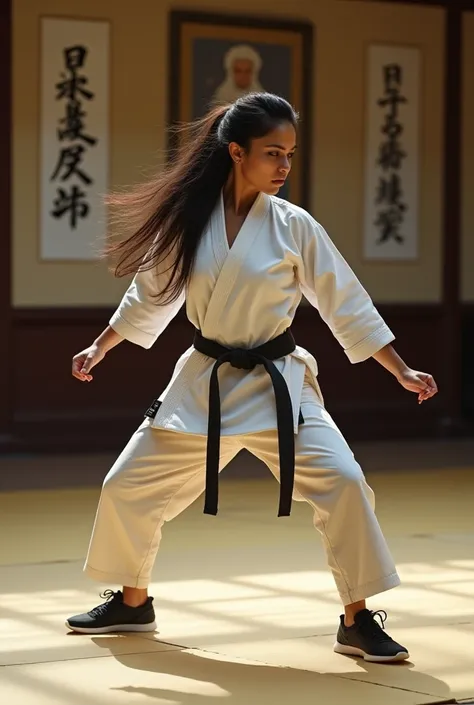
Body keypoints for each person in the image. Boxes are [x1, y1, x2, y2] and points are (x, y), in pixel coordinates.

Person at [66, 93, 438, 663]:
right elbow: (151, 296)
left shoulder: (294, 226)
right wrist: (101, 346)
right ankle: (133, 602)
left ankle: (357, 620)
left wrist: (401, 369)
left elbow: (346, 303)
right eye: (273, 153)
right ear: (237, 152)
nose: (285, 167)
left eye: (290, 154)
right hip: (204, 383)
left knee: (343, 481)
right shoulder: (191, 220)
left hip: (278, 384)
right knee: (126, 486)